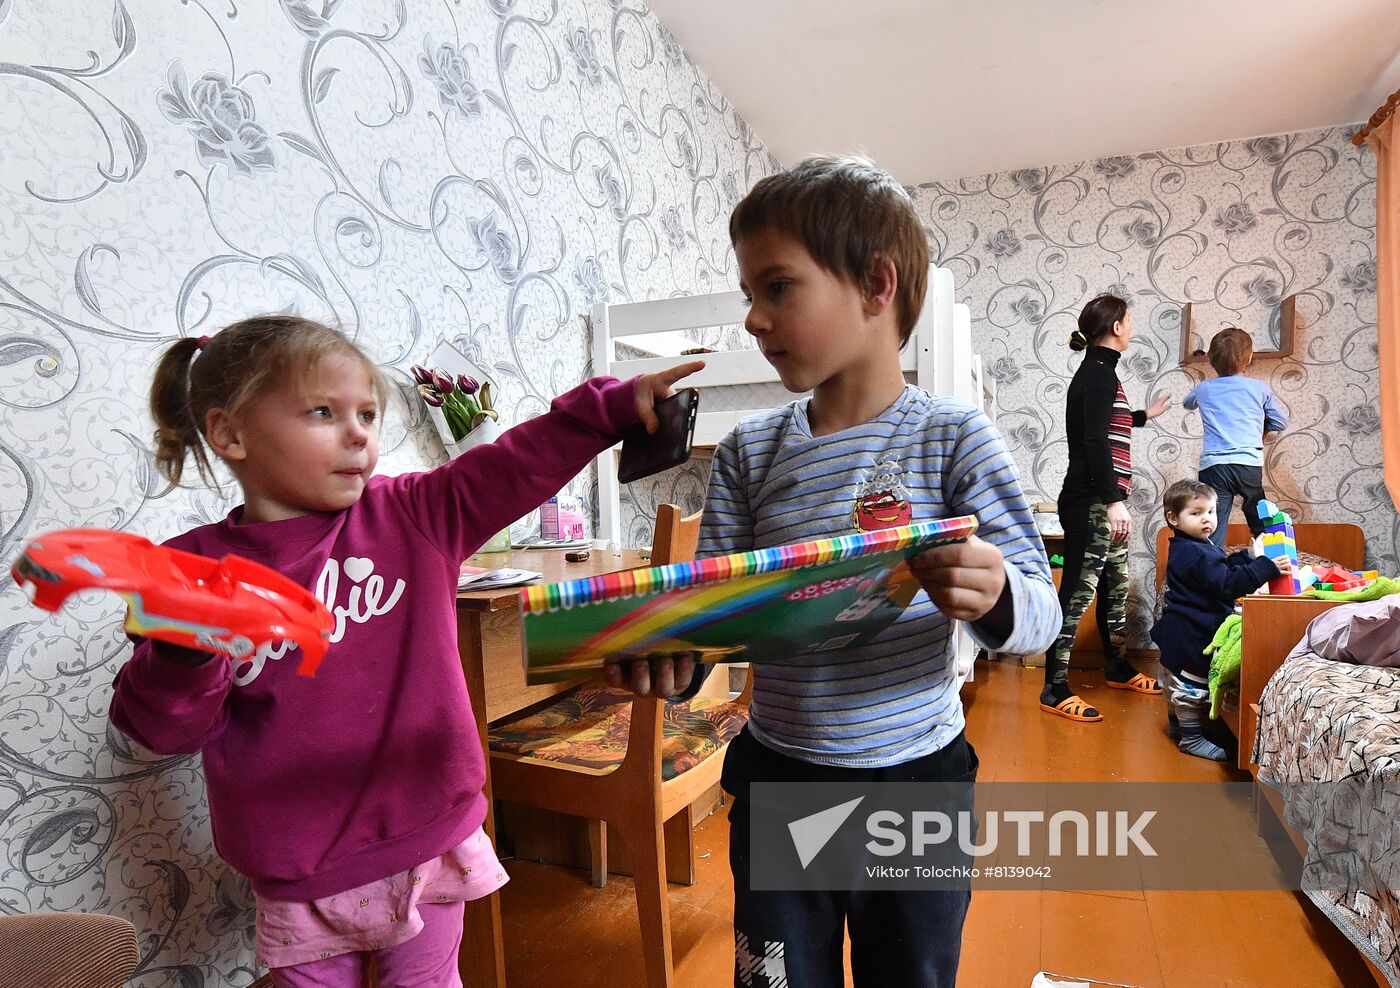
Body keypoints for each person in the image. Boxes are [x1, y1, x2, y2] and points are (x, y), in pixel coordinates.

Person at [109, 315, 700, 987]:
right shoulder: (186, 570)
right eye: (324, 412)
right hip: (299, 870)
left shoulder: (413, 513)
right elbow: (160, 729)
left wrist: (610, 409)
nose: (359, 434)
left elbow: (513, 465)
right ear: (230, 433)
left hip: (429, 839)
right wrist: (182, 657)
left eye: (367, 413)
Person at [606, 154, 1060, 987]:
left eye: (776, 288)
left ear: (875, 286)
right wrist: (670, 658)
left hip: (916, 786)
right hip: (782, 777)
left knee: (911, 975)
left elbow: (1041, 617)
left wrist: (995, 596)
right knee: (777, 976)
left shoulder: (954, 436)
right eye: (748, 294)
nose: (752, 319)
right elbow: (714, 613)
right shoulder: (750, 449)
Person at [1042, 293, 1171, 722]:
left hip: (1104, 503)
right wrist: (1113, 500)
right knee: (1076, 595)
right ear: (1116, 326)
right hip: (1091, 503)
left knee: (1115, 589)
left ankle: (1117, 666)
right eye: (1129, 320)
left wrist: (1143, 415)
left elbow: (1103, 423)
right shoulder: (1097, 374)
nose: (1132, 327)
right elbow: (1094, 441)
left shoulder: (1101, 373)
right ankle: (1054, 687)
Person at [1151, 479, 1287, 760]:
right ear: (1173, 518)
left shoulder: (1193, 545)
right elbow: (1226, 585)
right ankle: (1191, 738)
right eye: (1196, 513)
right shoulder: (1193, 552)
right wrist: (1265, 566)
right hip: (1192, 631)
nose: (1207, 519)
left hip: (1182, 627)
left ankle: (1179, 726)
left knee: (1178, 680)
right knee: (1191, 685)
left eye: (1211, 512)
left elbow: (1219, 570)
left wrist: (1247, 557)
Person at [1182, 327, 1288, 548]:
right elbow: (1280, 422)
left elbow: (1187, 403)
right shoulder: (1259, 388)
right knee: (1258, 516)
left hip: (1215, 467)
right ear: (1249, 357)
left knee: (1212, 523)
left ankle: (1212, 570)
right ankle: (1267, 559)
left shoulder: (1204, 388)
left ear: (1210, 359)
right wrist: (1261, 431)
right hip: (1248, 465)